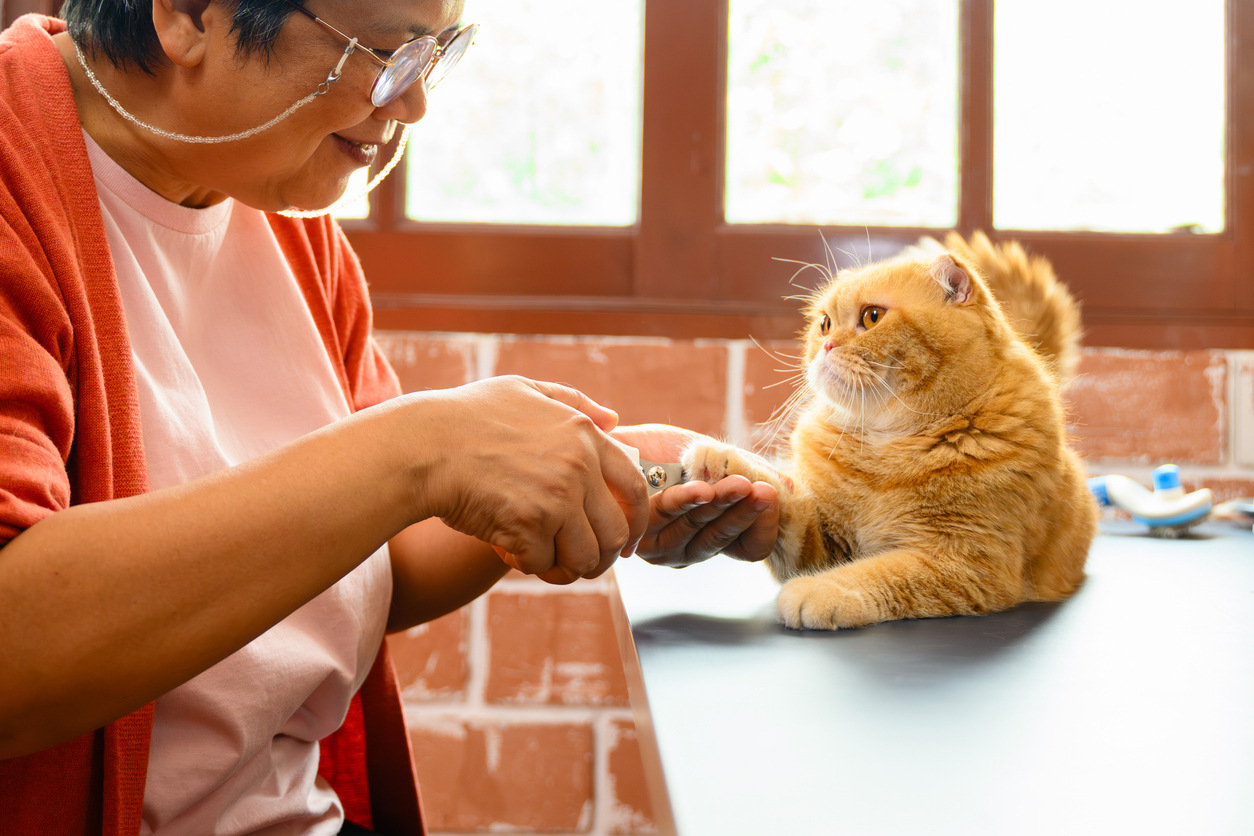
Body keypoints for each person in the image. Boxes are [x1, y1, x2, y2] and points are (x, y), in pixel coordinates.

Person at [0, 1, 779, 834]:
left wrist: (595, 470)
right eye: (379, 53)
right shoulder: (24, 179)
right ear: (186, 16)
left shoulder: (266, 194)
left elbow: (376, 546)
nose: (412, 103)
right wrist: (419, 450)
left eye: (432, 53)